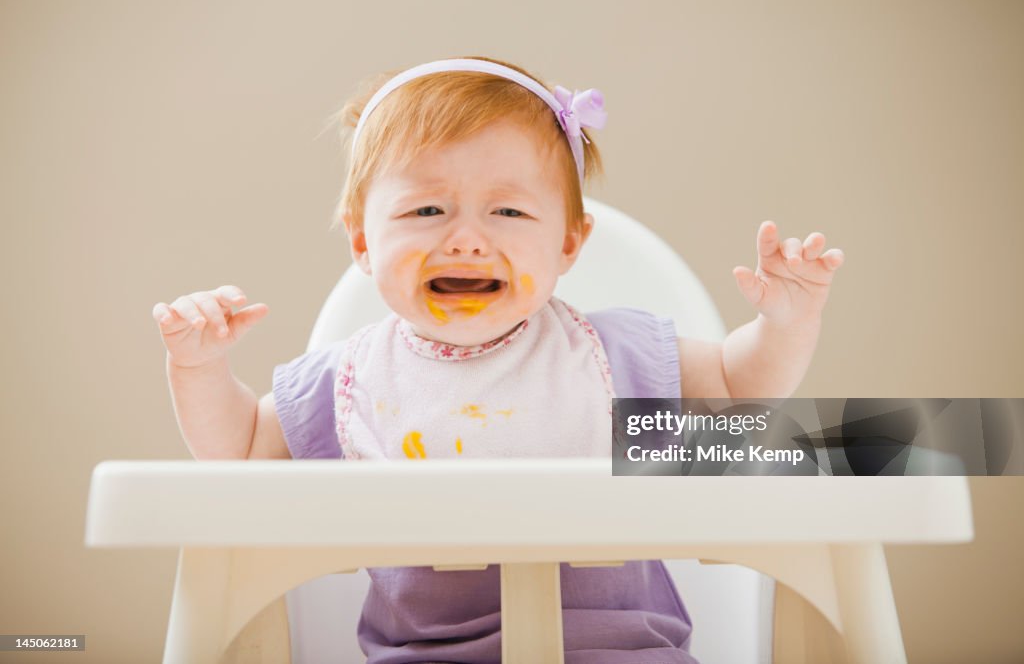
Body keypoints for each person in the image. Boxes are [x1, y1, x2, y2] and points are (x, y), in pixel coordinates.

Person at [152, 56, 844, 663]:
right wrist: (199, 369)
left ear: (570, 243)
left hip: (622, 654)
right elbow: (240, 453)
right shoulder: (348, 384)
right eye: (426, 210)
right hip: (425, 659)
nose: (466, 240)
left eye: (508, 213)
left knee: (871, 446)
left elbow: (737, 388)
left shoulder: (609, 361)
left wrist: (784, 322)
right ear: (363, 239)